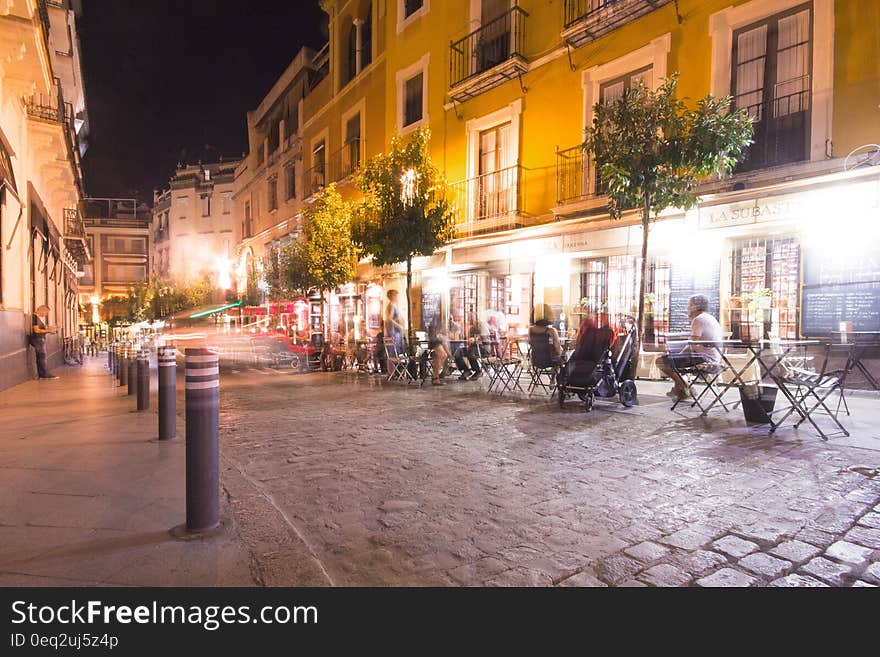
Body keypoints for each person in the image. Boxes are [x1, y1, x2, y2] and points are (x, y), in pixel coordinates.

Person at [656, 294, 723, 401]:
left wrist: (678, 355)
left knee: (660, 361)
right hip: (713, 356)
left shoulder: (699, 320)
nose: (687, 308)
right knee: (669, 358)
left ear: (695, 306)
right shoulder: (709, 318)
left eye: (689, 305)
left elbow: (692, 344)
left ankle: (685, 387)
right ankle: (680, 390)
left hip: (705, 359)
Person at [30, 305, 59, 379]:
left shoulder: (37, 318)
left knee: (41, 357)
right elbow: (36, 330)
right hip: (38, 340)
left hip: (39, 339)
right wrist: (49, 330)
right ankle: (44, 374)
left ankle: (43, 374)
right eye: (46, 313)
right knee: (41, 357)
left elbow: (40, 329)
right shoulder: (34, 318)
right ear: (42, 310)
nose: (46, 315)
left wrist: (49, 330)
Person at [384, 289, 405, 354]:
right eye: (396, 295)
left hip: (397, 331)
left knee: (396, 351)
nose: (397, 297)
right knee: (396, 350)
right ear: (393, 296)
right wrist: (398, 325)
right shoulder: (392, 305)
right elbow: (389, 318)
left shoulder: (393, 305)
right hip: (395, 332)